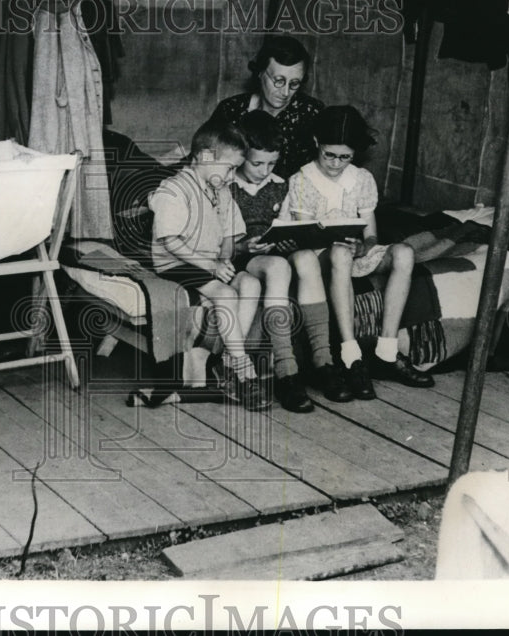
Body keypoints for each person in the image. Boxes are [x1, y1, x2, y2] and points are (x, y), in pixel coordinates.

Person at [282, 105, 435, 402]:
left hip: (353, 253)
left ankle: (387, 352)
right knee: (339, 254)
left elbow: (372, 233)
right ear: (316, 142)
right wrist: (339, 245)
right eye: (329, 155)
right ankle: (351, 357)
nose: (336, 163)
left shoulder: (362, 179)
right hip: (321, 256)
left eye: (345, 157)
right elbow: (305, 236)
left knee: (404, 252)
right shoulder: (302, 180)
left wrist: (365, 245)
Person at [149, 120, 269, 411]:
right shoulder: (175, 188)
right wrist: (211, 265)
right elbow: (170, 242)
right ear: (204, 158)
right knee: (226, 294)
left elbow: (228, 239)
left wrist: (226, 257)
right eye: (228, 168)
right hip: (175, 262)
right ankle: (243, 371)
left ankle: (227, 360)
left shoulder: (222, 191)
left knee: (251, 283)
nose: (231, 176)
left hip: (209, 263)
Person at [227, 111, 313, 413]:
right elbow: (213, 240)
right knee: (278, 267)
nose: (265, 171)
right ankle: (286, 370)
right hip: (236, 260)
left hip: (270, 256)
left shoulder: (281, 185)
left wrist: (288, 239)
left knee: (281, 264)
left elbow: (286, 224)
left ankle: (286, 371)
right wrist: (241, 245)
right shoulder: (226, 186)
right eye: (257, 163)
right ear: (240, 156)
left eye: (272, 163)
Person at [208, 34, 323, 179]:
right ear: (260, 72)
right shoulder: (231, 109)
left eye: (294, 83)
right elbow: (205, 154)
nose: (286, 92)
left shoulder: (312, 112)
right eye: (279, 80)